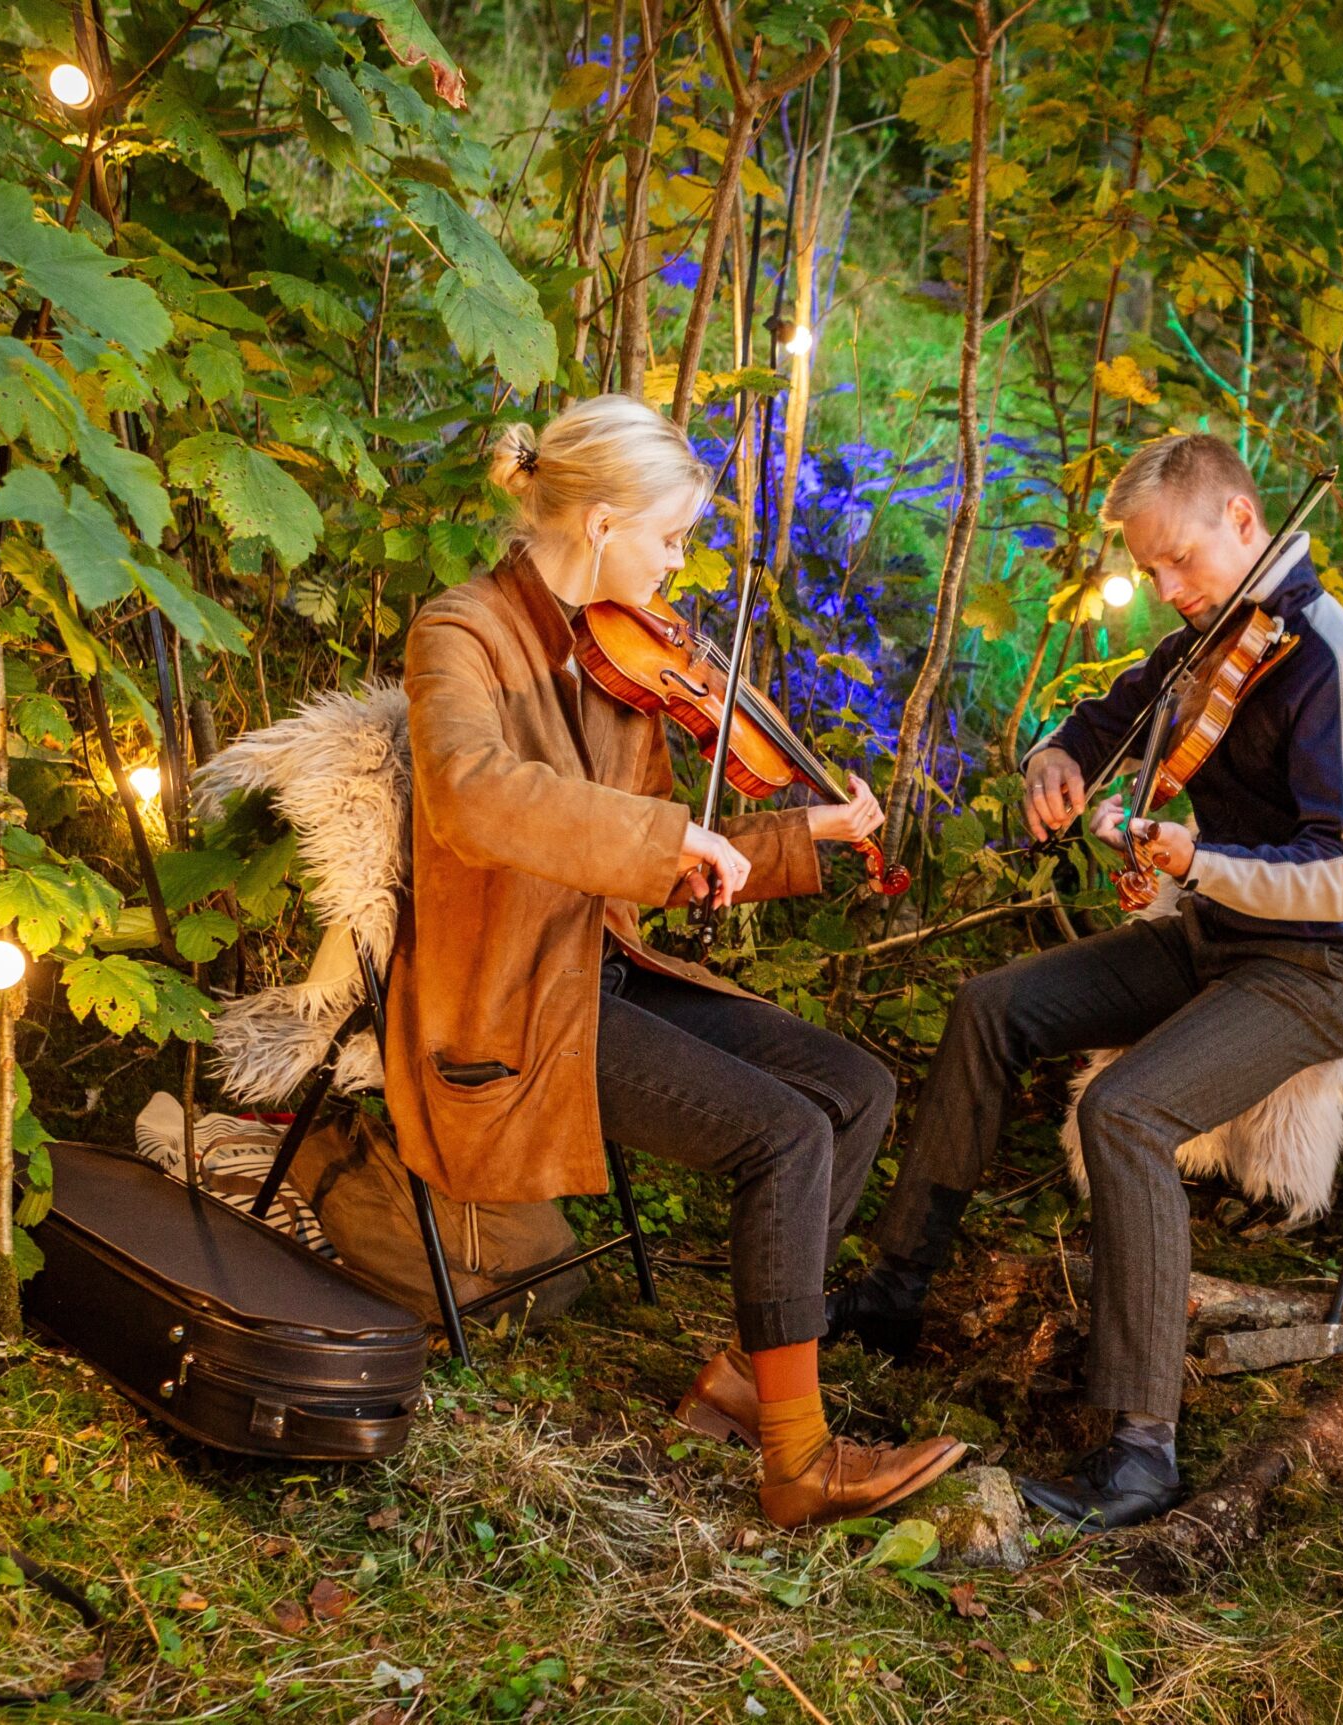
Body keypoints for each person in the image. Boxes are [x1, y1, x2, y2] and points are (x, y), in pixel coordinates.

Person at [386, 394, 965, 1529]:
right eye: (669, 537)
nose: (678, 563)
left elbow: (654, 844)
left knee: (855, 1089)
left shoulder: (622, 660)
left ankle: (751, 1381)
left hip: (595, 964)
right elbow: (468, 796)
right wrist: (664, 841)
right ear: (600, 523)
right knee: (783, 1131)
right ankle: (797, 1462)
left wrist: (805, 836)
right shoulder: (459, 633)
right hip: (506, 999)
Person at [826, 434, 1343, 1531]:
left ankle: (1141, 1452)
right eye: (1149, 571)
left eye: (1179, 561)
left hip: (1327, 966)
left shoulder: (1336, 662)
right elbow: (1098, 726)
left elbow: (1338, 878)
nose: (1166, 590)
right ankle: (894, 1293)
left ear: (1245, 522)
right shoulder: (1209, 642)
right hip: (1219, 938)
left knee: (1126, 1110)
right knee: (992, 1006)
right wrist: (1053, 758)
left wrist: (1197, 862)